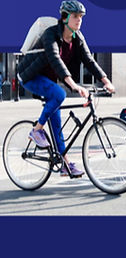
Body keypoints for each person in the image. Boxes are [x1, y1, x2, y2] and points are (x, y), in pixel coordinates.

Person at [16, 1, 116, 177]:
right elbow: (55, 59)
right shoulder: (50, 34)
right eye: (75, 16)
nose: (79, 20)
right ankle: (37, 130)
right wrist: (74, 86)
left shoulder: (78, 37)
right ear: (65, 17)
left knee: (57, 123)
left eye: (81, 17)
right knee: (59, 94)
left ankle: (65, 164)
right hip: (29, 76)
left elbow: (89, 60)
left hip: (48, 79)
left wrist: (106, 80)